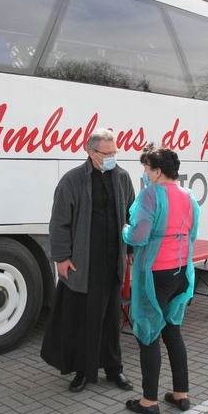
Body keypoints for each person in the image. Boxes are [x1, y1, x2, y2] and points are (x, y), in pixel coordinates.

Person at [41, 128, 136, 393]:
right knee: (84, 319)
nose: (113, 157)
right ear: (92, 153)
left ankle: (114, 370)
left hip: (112, 261)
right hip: (84, 262)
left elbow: (131, 215)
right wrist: (61, 257)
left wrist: (130, 249)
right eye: (108, 153)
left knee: (110, 318)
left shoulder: (122, 178)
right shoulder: (72, 181)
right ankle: (82, 372)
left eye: (115, 152)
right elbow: (59, 222)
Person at [121, 143, 200, 414]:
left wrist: (125, 231)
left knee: (148, 335)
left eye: (145, 167)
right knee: (172, 331)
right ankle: (181, 394)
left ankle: (148, 402)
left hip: (155, 274)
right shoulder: (188, 196)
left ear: (156, 171)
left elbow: (139, 235)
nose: (143, 172)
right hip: (181, 272)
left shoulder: (150, 196)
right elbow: (192, 235)